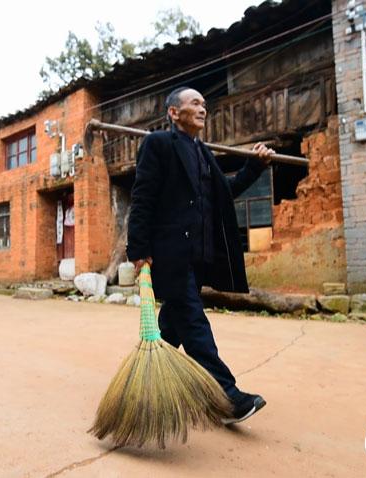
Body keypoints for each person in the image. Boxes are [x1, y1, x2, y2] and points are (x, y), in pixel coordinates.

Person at [126, 86, 277, 425]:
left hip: (199, 257)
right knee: (194, 324)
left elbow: (228, 191)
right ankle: (227, 397)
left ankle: (144, 387)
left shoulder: (204, 153)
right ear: (173, 113)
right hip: (170, 255)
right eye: (194, 103)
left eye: (204, 104)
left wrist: (256, 166)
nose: (202, 108)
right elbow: (143, 198)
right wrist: (138, 251)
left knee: (173, 328)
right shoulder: (159, 144)